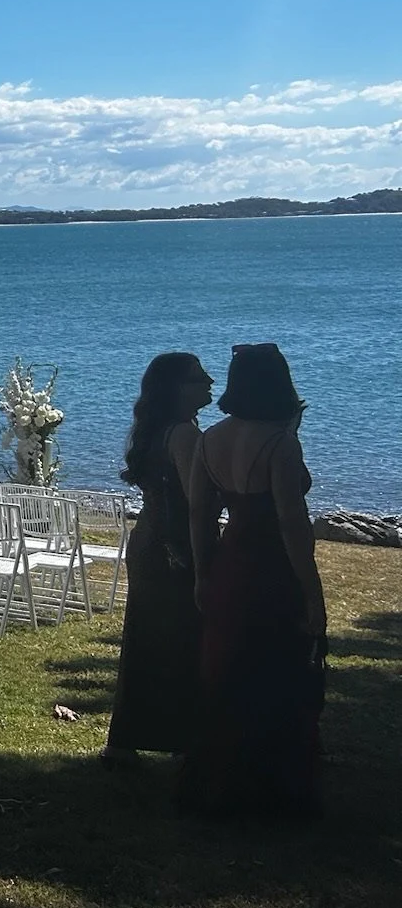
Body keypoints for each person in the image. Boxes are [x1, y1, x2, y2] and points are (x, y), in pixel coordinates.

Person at [182, 343, 326, 820]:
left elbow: (201, 513)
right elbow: (291, 521)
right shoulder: (280, 443)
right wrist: (311, 590)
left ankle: (219, 778)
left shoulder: (211, 439)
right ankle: (273, 786)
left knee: (228, 668)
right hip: (272, 565)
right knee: (276, 666)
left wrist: (204, 572)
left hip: (230, 561)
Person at [102, 353, 213, 766]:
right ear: (177, 388)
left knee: (146, 639)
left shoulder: (156, 430)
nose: (210, 381)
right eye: (199, 377)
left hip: (148, 539)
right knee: (183, 639)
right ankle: (182, 739)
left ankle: (127, 739)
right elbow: (197, 502)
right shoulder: (184, 434)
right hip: (174, 545)